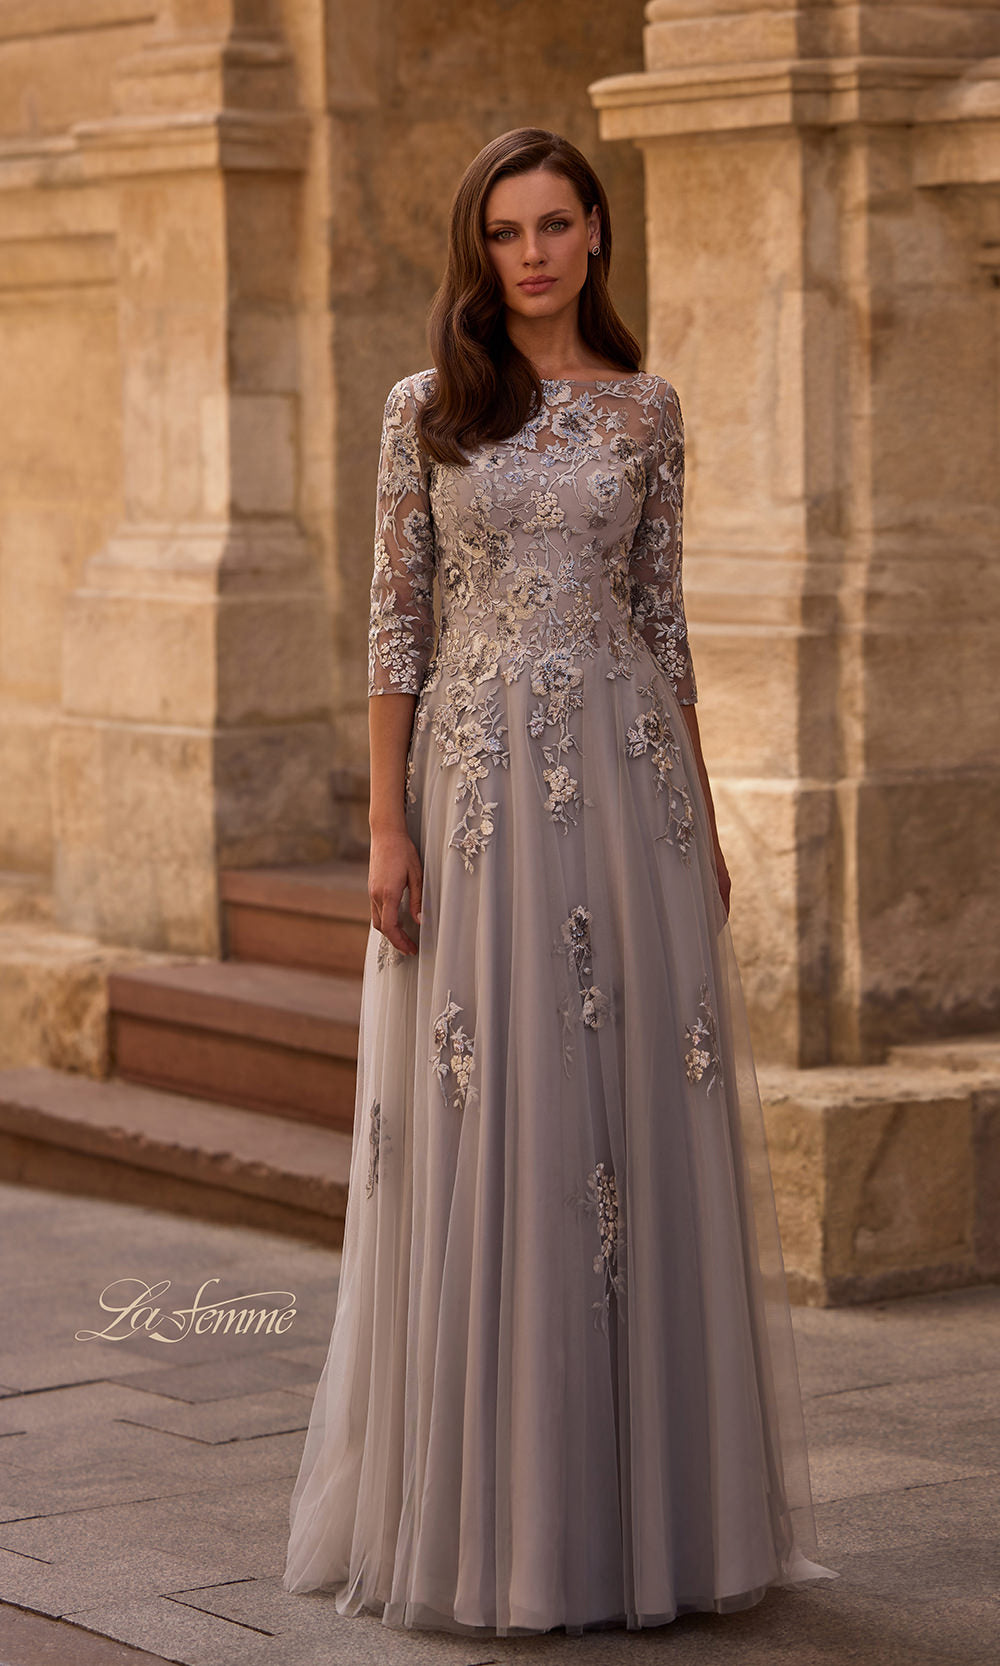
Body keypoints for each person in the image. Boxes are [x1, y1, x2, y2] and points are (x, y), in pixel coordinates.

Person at [283, 125, 839, 1636]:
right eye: (507, 232)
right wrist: (387, 828)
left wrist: (706, 821)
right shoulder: (427, 411)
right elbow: (397, 630)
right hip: (471, 808)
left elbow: (666, 630)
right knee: (495, 1114)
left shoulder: (649, 412)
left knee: (630, 1127)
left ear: (598, 235)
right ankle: (499, 1526)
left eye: (556, 226)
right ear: (483, 250)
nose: (532, 254)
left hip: (628, 799)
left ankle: (647, 1522)